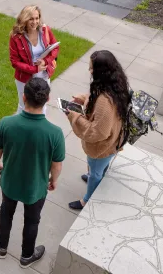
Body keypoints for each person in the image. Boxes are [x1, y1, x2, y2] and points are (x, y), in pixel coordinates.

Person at [0, 77, 65, 269]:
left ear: (24, 97)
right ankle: (27, 256)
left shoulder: (6, 123)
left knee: (6, 212)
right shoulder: (55, 133)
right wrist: (53, 180)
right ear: (47, 99)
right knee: (32, 220)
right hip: (36, 187)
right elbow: (57, 165)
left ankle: (2, 246)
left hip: (10, 182)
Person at [65, 50, 130, 210]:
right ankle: (98, 175)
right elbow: (99, 106)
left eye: (92, 68)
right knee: (100, 167)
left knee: (95, 172)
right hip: (114, 140)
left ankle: (87, 200)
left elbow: (97, 132)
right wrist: (85, 99)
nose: (90, 71)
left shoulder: (104, 101)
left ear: (101, 72)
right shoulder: (117, 85)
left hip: (102, 147)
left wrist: (74, 115)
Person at [9, 5, 59, 115]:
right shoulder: (16, 36)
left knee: (43, 104)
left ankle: (40, 130)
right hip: (25, 77)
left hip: (44, 75)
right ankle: (20, 131)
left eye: (37, 18)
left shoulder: (45, 30)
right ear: (24, 19)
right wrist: (34, 69)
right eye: (31, 19)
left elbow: (55, 48)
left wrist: (46, 61)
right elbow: (14, 61)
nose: (35, 22)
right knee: (24, 106)